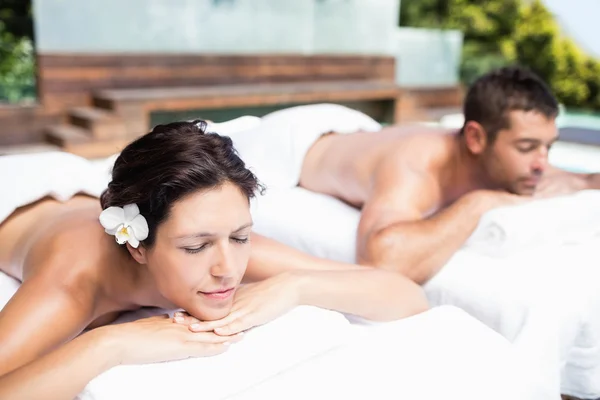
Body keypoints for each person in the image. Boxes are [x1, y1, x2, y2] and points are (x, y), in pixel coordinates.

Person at [0, 120, 428, 399]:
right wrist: (108, 344)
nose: (229, 268)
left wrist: (297, 285)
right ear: (136, 246)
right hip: (18, 194)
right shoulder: (70, 286)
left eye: (240, 236)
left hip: (78, 189)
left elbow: (405, 295)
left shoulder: (222, 240)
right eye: (195, 247)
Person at [292, 66, 600, 284]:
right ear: (476, 138)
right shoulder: (417, 165)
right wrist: (480, 202)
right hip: (298, 143)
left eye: (547, 147)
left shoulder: (516, 163)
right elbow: (380, 260)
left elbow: (584, 181)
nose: (540, 164)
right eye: (526, 147)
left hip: (358, 130)